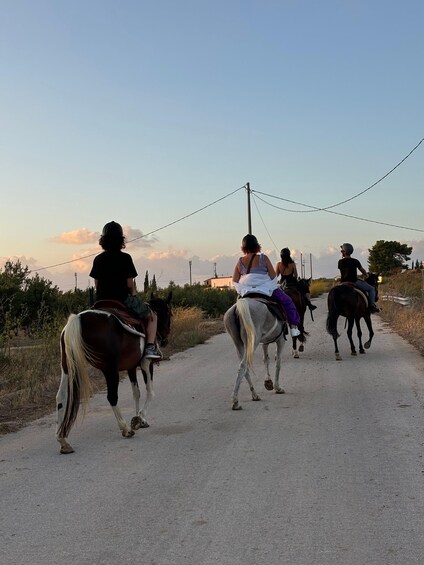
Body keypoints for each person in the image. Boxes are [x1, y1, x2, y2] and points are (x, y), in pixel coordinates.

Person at [89, 221, 162, 359]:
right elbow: (129, 284)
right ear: (121, 240)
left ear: (103, 240)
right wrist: (134, 294)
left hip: (101, 301)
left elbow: (97, 284)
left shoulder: (98, 259)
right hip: (122, 299)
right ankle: (150, 348)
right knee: (152, 315)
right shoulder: (126, 258)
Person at [232, 234, 301, 336]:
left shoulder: (240, 261)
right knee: (288, 301)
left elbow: (235, 281)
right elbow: (273, 277)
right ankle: (293, 327)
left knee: (236, 307)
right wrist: (268, 287)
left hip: (246, 290)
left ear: (243, 248)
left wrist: (243, 290)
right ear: (257, 246)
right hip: (264, 289)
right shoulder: (263, 258)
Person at [338, 243, 380, 313]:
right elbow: (362, 270)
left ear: (344, 252)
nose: (341, 252)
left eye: (342, 251)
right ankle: (371, 306)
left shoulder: (340, 262)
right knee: (371, 289)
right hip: (354, 282)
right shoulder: (355, 261)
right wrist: (366, 275)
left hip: (343, 283)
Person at [276, 247, 317, 312]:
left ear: (281, 256)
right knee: (305, 289)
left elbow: (277, 274)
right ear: (289, 255)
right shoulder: (292, 264)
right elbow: (296, 275)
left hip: (282, 283)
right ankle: (309, 304)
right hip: (292, 282)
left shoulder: (278, 264)